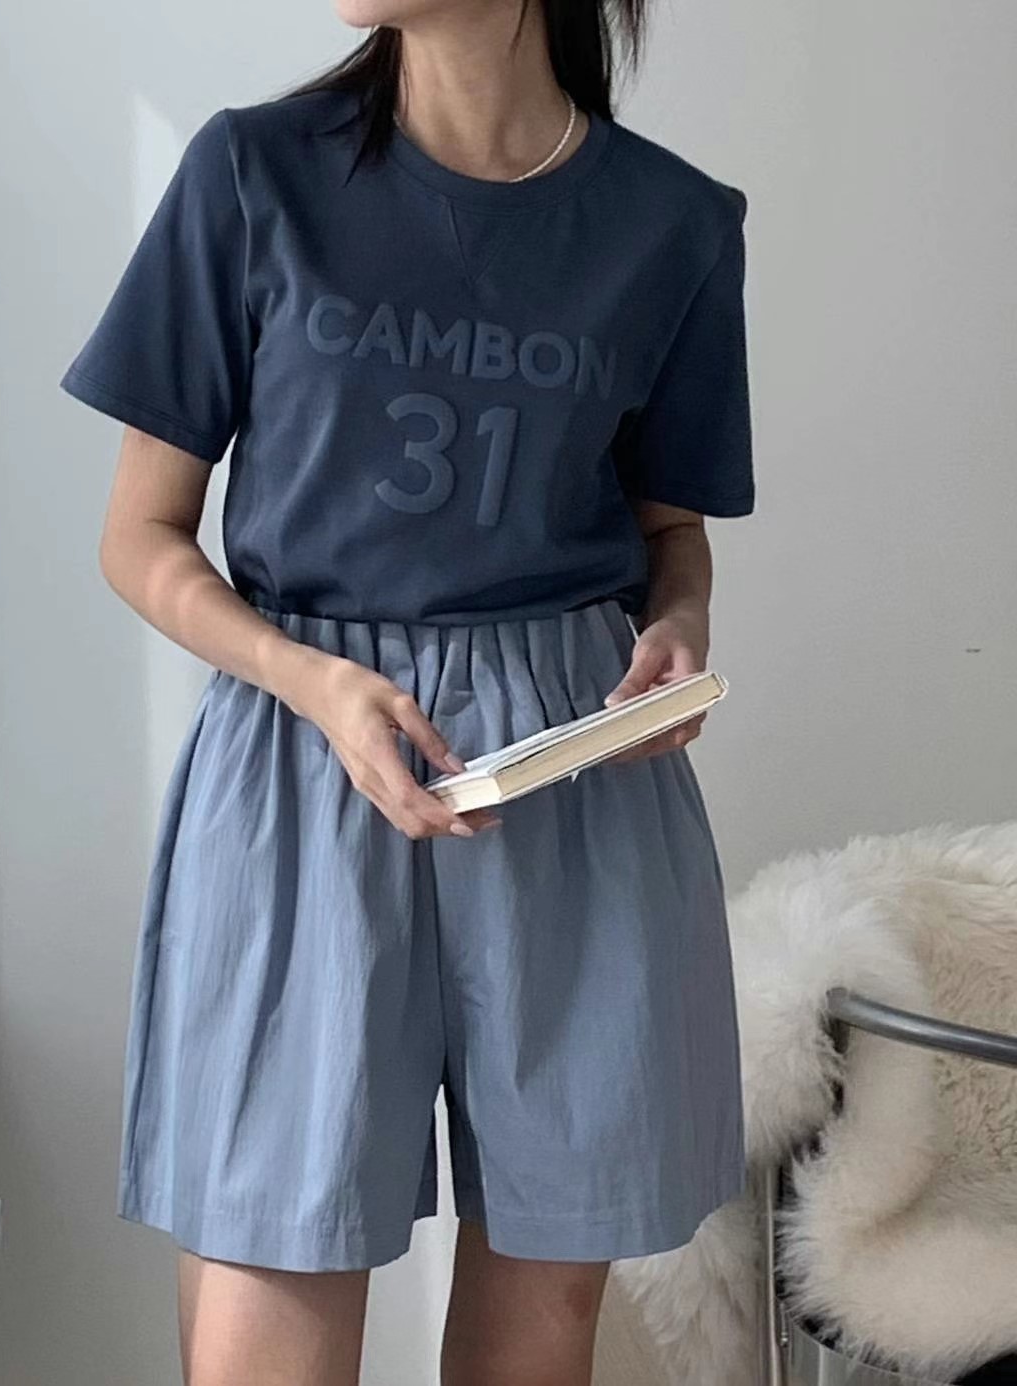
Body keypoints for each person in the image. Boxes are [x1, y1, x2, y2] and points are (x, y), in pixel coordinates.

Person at [58, 0, 755, 1381]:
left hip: (569, 775)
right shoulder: (255, 173)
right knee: (268, 1290)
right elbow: (140, 537)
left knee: (543, 1313)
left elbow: (672, 530)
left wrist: (679, 629)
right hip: (303, 765)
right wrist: (312, 681)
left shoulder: (670, 222)